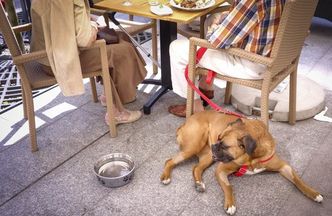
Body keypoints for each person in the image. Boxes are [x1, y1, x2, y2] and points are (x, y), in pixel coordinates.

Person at [30, 0, 147, 124]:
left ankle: (111, 97)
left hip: (45, 57)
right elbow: (85, 40)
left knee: (120, 37)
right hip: (61, 61)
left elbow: (60, 19)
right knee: (122, 51)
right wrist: (93, 24)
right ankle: (116, 112)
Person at [168, 0, 286, 117]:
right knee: (210, 20)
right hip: (275, 59)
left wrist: (215, 24)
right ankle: (205, 86)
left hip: (252, 64)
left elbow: (217, 40)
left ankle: (196, 108)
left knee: (177, 48)